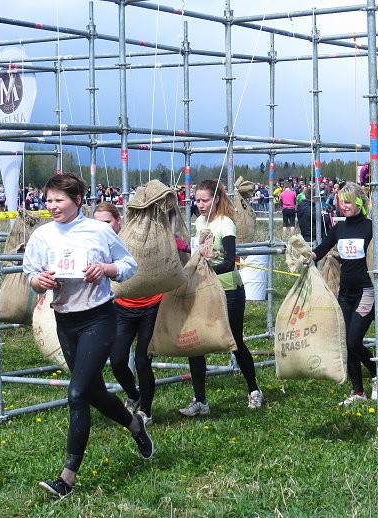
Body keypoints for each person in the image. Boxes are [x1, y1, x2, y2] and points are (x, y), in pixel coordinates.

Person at [22, 173, 152, 498]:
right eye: (48, 200)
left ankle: (66, 479)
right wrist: (41, 282)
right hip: (65, 320)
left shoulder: (98, 231)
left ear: (77, 199)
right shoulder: (42, 236)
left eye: (59, 200)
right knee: (93, 393)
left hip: (99, 318)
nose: (52, 206)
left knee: (77, 393)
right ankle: (135, 425)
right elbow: (30, 274)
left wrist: (105, 270)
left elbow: (129, 264)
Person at [93, 202, 190, 426]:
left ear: (119, 222)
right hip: (122, 308)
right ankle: (133, 394)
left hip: (151, 307)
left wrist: (183, 246)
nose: (103, 228)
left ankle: (146, 412)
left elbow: (177, 246)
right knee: (117, 360)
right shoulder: (96, 244)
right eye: (98, 223)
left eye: (107, 222)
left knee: (142, 361)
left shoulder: (135, 239)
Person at [179, 179, 263, 416]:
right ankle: (200, 400)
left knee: (234, 340)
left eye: (204, 200)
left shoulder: (226, 224)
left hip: (228, 289)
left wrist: (205, 271)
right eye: (197, 200)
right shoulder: (198, 222)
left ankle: (254, 390)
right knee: (196, 343)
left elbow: (229, 261)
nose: (200, 204)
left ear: (216, 199)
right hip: (204, 289)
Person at [311, 183, 377, 405]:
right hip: (345, 292)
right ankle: (358, 391)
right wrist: (308, 255)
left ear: (359, 202)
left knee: (353, 340)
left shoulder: (371, 228)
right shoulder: (339, 229)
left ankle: (376, 373)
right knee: (346, 344)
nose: (343, 206)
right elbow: (322, 249)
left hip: (367, 291)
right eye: (341, 202)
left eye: (348, 202)